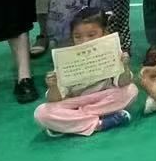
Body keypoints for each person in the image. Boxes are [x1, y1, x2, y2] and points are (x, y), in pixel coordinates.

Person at [33, 7, 137, 136]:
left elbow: (123, 83)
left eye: (91, 35)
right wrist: (53, 86)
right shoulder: (66, 58)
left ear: (105, 33)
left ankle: (71, 122)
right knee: (41, 113)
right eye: (78, 37)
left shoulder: (112, 52)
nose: (85, 41)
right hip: (75, 103)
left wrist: (125, 66)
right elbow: (55, 99)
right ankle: (100, 123)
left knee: (131, 90)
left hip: (103, 98)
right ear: (72, 37)